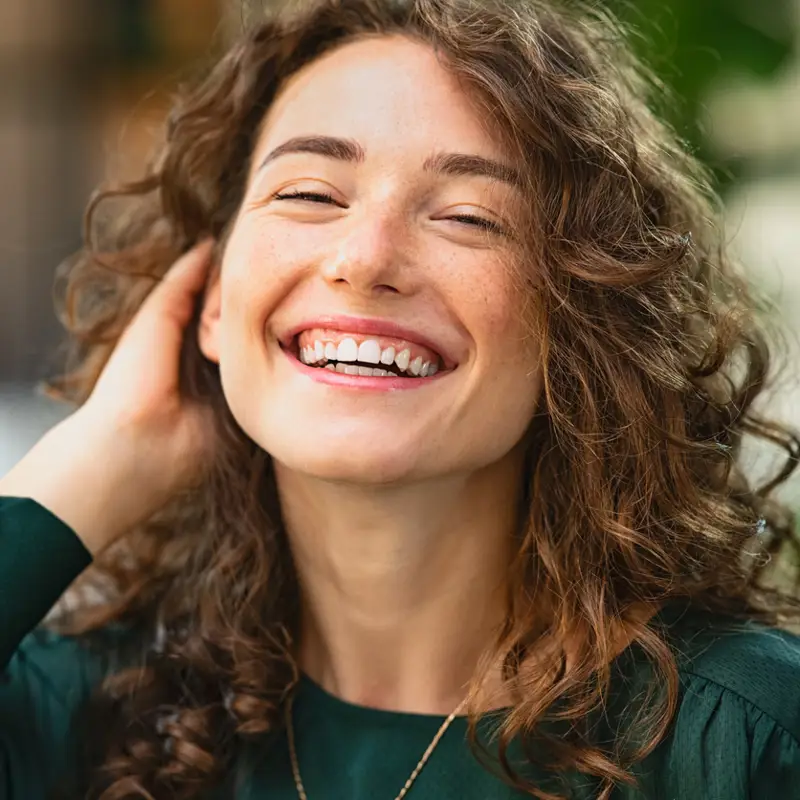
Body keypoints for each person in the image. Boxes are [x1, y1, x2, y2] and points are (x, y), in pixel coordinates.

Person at [1, 0, 799, 797]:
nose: (365, 257)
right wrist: (100, 455)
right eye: (309, 194)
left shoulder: (738, 737)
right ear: (211, 297)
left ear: (579, 314)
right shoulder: (87, 711)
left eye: (467, 216)